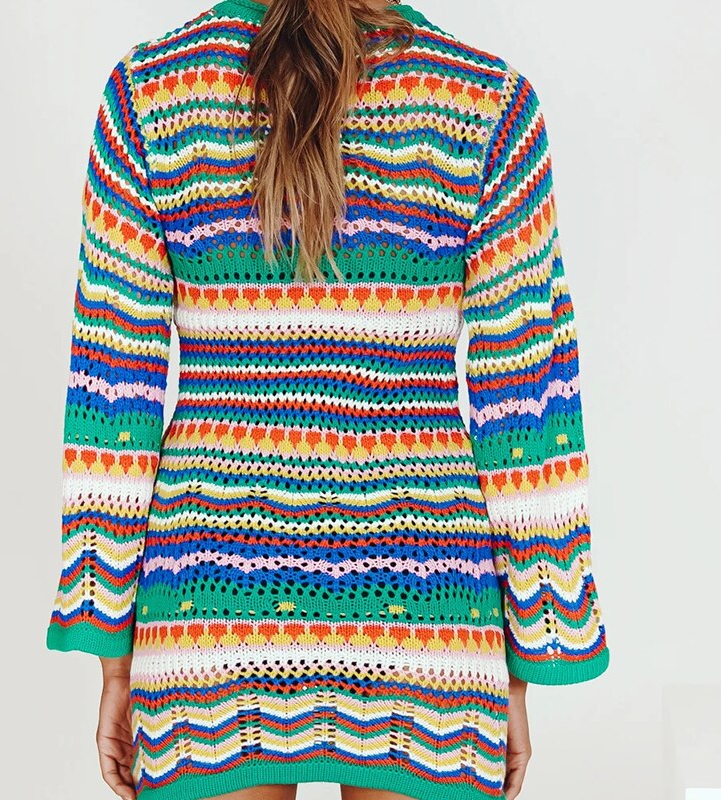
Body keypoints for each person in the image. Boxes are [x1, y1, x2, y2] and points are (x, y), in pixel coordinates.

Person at [45, 1, 611, 799]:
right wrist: (527, 654)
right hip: (426, 606)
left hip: (209, 605)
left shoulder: (149, 95)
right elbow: (530, 402)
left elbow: (112, 393)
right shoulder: (488, 105)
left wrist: (114, 657)